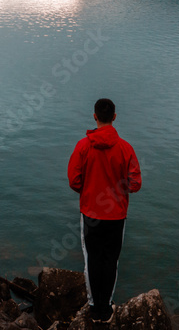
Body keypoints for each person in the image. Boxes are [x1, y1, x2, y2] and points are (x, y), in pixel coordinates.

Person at [67, 98, 142, 323]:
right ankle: (106, 308)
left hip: (90, 212)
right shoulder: (126, 148)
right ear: (115, 117)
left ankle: (93, 307)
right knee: (111, 260)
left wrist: (89, 190)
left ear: (95, 117)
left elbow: (74, 179)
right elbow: (135, 183)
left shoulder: (83, 146)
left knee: (92, 259)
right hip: (116, 214)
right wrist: (119, 190)